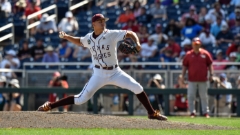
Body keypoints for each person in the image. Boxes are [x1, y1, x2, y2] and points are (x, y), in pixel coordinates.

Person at [37, 13, 167, 121]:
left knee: (137, 87)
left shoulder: (110, 34)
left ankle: (151, 113)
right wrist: (66, 37)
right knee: (81, 99)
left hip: (115, 72)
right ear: (93, 24)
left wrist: (137, 43)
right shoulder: (89, 38)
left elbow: (130, 33)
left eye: (103, 21)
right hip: (98, 74)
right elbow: (80, 41)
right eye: (99, 21)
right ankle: (50, 105)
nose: (103, 23)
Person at [182, 37, 214, 118]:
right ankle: (192, 112)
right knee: (191, 96)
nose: (196, 46)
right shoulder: (188, 54)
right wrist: (183, 76)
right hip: (192, 79)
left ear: (200, 44)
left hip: (203, 79)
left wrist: (211, 75)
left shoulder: (205, 53)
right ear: (192, 45)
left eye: (198, 44)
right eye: (195, 44)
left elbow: (210, 64)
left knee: (204, 96)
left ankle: (205, 112)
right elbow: (185, 66)